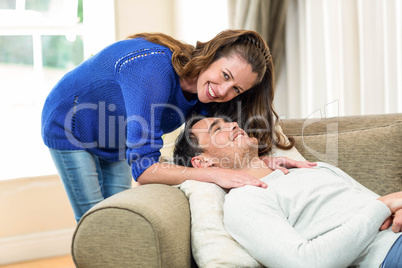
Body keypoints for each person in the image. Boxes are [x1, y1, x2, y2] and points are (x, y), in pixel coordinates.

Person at [41, 30, 315, 222]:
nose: (223, 91)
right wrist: (215, 176)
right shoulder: (152, 71)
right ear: (211, 55)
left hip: (118, 134)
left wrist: (265, 163)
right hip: (70, 124)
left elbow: (214, 149)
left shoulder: (205, 96)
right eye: (225, 75)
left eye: (236, 89)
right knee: (94, 217)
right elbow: (144, 169)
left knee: (118, 216)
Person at [173, 115, 402, 268]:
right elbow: (303, 263)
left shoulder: (315, 168)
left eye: (229, 122)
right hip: (390, 252)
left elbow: (388, 203)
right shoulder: (246, 199)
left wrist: (394, 206)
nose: (233, 125)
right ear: (202, 162)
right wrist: (381, 208)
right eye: (217, 130)